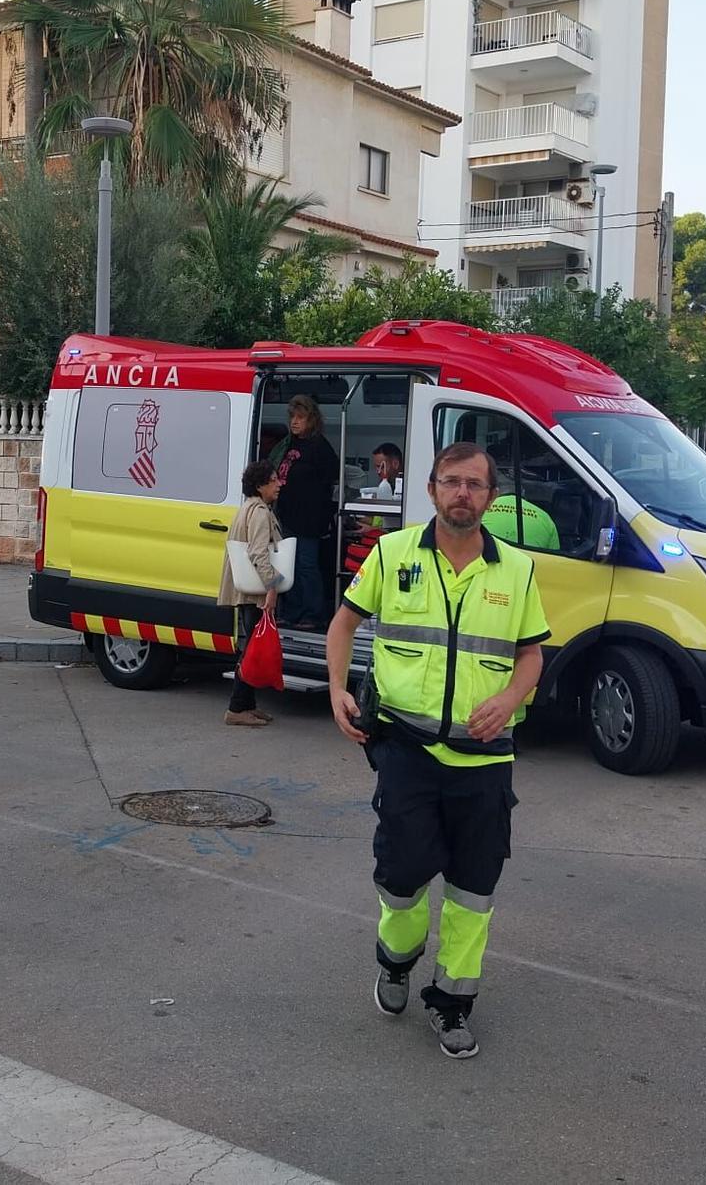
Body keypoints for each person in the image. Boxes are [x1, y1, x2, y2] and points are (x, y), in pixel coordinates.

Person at [325, 442, 548, 1060]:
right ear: (431, 489)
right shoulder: (393, 553)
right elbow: (344, 623)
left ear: (491, 497)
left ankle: (452, 1003)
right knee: (402, 878)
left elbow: (532, 653)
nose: (462, 494)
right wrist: (338, 688)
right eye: (451, 482)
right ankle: (396, 961)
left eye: (475, 484)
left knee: (474, 888)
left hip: (484, 759)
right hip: (407, 751)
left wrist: (509, 698)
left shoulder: (517, 570)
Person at [215, 460, 284, 728]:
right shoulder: (260, 513)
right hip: (255, 592)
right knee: (252, 652)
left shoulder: (248, 508)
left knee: (251, 647)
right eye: (273, 480)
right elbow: (258, 553)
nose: (279, 484)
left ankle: (248, 705)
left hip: (246, 590)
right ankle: (236, 708)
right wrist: (272, 586)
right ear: (259, 486)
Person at [269, 395, 340, 629]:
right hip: (286, 515)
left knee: (306, 566)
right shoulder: (287, 444)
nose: (295, 422)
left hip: (309, 518)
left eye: (300, 417)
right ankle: (292, 612)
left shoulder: (319, 446)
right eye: (292, 417)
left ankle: (314, 614)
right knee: (288, 566)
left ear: (312, 420)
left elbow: (332, 478)